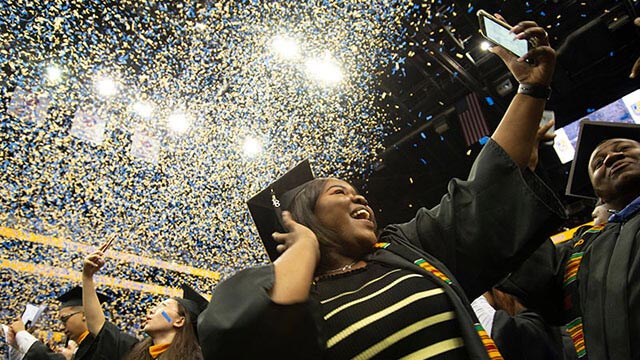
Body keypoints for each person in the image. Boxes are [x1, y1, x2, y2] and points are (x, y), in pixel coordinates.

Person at [198, 18, 565, 359]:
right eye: (338, 192)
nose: (358, 197)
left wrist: (531, 89)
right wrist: (304, 248)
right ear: (305, 219)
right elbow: (240, 335)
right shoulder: (282, 289)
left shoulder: (405, 251)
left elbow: (482, 194)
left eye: (355, 191)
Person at [499, 120, 640, 359]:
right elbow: (523, 261)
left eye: (623, 149)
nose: (611, 158)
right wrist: (520, 177)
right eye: (598, 163)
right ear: (599, 196)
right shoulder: (580, 254)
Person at [82, 248, 207, 360]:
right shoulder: (133, 351)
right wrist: (87, 276)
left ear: (179, 321)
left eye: (163, 306)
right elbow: (97, 326)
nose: (152, 310)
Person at [7, 286, 107, 360]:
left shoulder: (103, 347)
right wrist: (16, 346)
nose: (61, 327)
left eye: (65, 319)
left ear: (85, 315)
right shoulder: (83, 347)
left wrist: (22, 334)